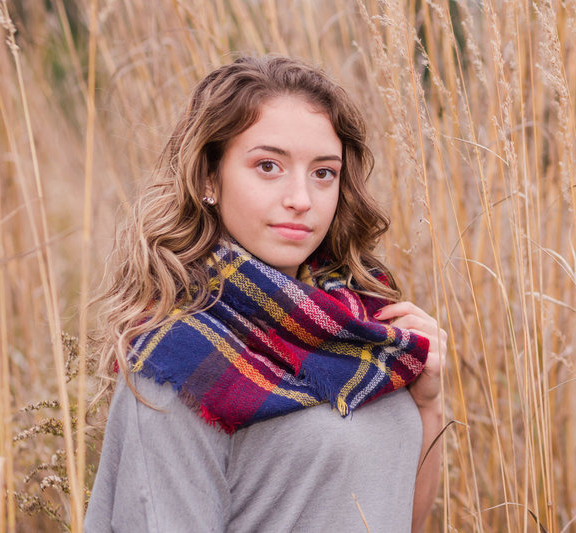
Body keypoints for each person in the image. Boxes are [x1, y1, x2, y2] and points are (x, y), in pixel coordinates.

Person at [85, 55, 446, 533]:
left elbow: (403, 519)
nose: (301, 197)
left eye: (323, 173)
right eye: (268, 166)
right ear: (210, 178)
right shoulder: (179, 359)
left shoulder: (368, 333)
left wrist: (428, 402)